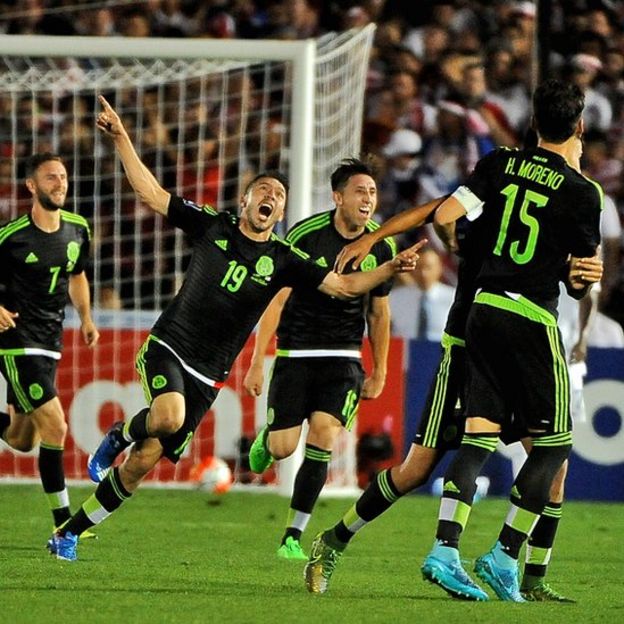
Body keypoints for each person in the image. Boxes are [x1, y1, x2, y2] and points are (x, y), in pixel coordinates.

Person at [46, 95, 424, 562]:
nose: (271, 198)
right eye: (263, 190)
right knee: (168, 417)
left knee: (143, 462)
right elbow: (151, 193)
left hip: (209, 373)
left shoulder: (285, 259)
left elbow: (345, 287)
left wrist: (388, 270)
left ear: (281, 214)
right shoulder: (212, 226)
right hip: (170, 345)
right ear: (245, 200)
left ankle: (69, 531)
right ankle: (117, 435)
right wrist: (123, 138)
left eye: (279, 196)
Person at [304, 200, 601, 599]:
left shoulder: (532, 226)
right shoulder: (484, 223)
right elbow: (439, 215)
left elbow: (567, 280)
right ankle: (335, 540)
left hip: (514, 354)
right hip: (463, 353)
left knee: (554, 467)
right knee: (415, 470)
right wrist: (381, 236)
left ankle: (532, 579)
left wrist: (580, 272)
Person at [417, 78, 602, 602]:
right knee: (556, 444)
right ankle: (503, 555)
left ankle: (444, 550)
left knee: (479, 434)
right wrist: (576, 273)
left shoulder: (499, 162)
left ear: (535, 122)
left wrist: (467, 256)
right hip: (529, 315)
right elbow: (578, 279)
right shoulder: (583, 192)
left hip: (480, 310)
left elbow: (444, 216)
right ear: (580, 126)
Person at [242, 158, 396, 561]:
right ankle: (268, 438)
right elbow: (278, 297)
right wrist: (259, 359)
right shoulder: (305, 236)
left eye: (373, 192)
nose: (368, 199)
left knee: (325, 434)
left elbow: (379, 312)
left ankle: (293, 534)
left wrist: (379, 368)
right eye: (360, 191)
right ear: (338, 197)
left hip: (344, 356)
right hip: (295, 352)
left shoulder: (382, 244)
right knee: (281, 449)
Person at [0, 152, 99, 533]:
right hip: (15, 341)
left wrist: (87, 318)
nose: (60, 184)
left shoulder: (77, 228)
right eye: (50, 178)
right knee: (56, 426)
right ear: (31, 186)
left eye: (63, 177)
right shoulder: (10, 236)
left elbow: (77, 274)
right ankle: (64, 526)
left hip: (51, 340)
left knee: (23, 439)